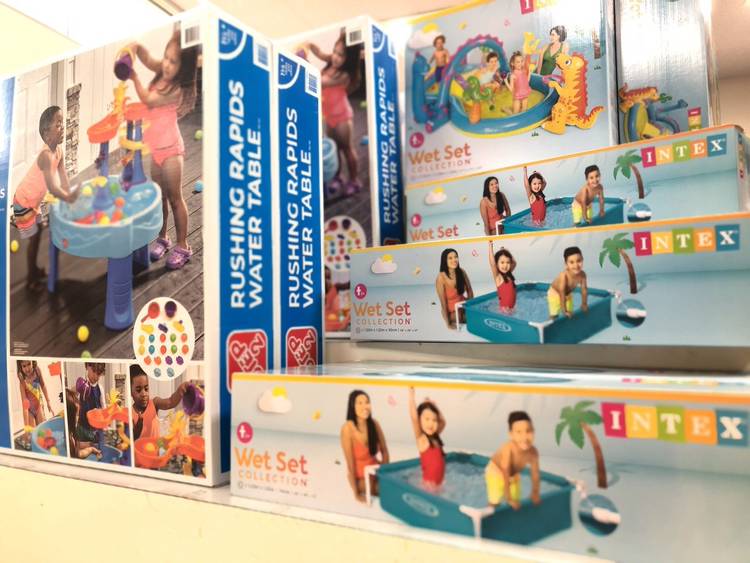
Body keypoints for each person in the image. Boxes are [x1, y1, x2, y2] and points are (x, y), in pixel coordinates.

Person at [127, 29, 199, 270]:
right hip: (155, 148)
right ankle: (163, 238)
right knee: (160, 197)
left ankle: (183, 246)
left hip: (171, 151)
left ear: (183, 67)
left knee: (175, 198)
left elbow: (149, 100)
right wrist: (136, 47)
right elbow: (148, 59)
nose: (167, 64)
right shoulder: (163, 71)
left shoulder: (176, 89)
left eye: (173, 62)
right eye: (166, 58)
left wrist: (133, 76)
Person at [12, 106, 79, 291]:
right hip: (24, 201)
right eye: (58, 124)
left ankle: (34, 270)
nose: (62, 127)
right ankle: (31, 279)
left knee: (39, 231)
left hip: (33, 202)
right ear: (46, 134)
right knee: (34, 239)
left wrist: (70, 195)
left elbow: (63, 179)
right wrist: (68, 197)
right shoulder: (45, 156)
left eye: (62, 123)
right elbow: (54, 187)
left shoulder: (59, 152)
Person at [308, 33, 363, 196]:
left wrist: (303, 64)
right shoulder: (331, 62)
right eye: (335, 52)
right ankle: (338, 176)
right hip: (329, 116)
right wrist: (307, 45)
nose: (335, 57)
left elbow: (321, 82)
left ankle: (354, 180)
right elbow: (318, 52)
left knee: (347, 148)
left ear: (349, 59)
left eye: (341, 55)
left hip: (342, 118)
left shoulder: (344, 75)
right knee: (334, 148)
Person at [340, 390, 389, 502]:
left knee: (397, 484)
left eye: (367, 402)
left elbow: (385, 451)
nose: (365, 406)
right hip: (361, 477)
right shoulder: (347, 429)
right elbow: (350, 465)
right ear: (352, 406)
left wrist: (384, 473)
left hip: (376, 470)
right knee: (386, 491)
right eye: (360, 403)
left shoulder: (374, 424)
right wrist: (356, 494)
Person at [485, 411, 541, 509]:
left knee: (516, 501)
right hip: (496, 472)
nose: (524, 437)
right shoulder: (508, 449)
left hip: (513, 474)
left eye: (528, 431)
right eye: (519, 432)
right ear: (511, 434)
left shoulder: (533, 452)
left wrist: (535, 492)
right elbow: (505, 472)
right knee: (495, 501)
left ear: (534, 431)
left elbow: (535, 473)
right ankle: (491, 510)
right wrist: (508, 497)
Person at [130, 364, 189, 441]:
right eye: (138, 390)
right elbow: (131, 440)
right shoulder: (129, 413)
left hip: (157, 448)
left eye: (146, 389)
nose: (144, 394)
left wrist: (180, 390)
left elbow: (170, 402)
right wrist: (137, 430)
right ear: (130, 392)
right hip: (140, 449)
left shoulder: (154, 403)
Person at [408, 387, 446, 490]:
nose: (431, 423)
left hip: (439, 485)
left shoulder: (436, 437)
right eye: (427, 419)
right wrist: (411, 397)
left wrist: (433, 405)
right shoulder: (422, 439)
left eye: (434, 420)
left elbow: (443, 421)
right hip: (428, 487)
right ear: (419, 420)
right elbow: (414, 418)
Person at [435, 248, 474, 329]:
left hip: (463, 304)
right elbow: (443, 303)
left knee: (475, 316)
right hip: (451, 310)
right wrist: (448, 324)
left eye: (456, 257)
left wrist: (470, 307)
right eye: (450, 258)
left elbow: (469, 291)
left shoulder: (462, 271)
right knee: (462, 318)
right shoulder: (441, 278)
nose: (454, 260)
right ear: (445, 261)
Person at [548, 246, 588, 318]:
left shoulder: (582, 275)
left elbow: (584, 290)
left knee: (570, 313)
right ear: (566, 264)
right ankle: (551, 320)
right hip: (555, 294)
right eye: (571, 262)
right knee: (554, 315)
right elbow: (562, 292)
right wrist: (564, 310)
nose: (576, 265)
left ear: (583, 260)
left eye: (579, 261)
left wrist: (584, 303)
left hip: (567, 294)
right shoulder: (564, 276)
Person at [65, 389, 102, 460]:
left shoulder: (71, 432)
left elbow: (77, 449)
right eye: (77, 415)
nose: (78, 418)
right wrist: (91, 448)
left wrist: (91, 447)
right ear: (69, 416)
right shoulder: (68, 438)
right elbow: (77, 454)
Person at [75, 363, 106, 444]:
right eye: (94, 371)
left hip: (95, 430)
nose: (96, 377)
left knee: (95, 449)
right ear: (87, 367)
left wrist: (99, 412)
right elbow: (74, 403)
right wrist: (76, 389)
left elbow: (104, 410)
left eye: (98, 374)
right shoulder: (81, 384)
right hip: (82, 428)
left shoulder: (100, 388)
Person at [17, 360, 52, 430]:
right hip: (29, 410)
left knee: (42, 430)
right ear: (20, 367)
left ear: (32, 362)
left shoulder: (37, 371)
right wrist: (26, 426)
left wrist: (48, 402)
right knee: (32, 432)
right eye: (24, 366)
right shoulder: (22, 381)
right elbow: (25, 405)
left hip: (38, 406)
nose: (27, 368)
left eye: (29, 364)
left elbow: (43, 385)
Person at [488, 242, 516, 312]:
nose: (505, 265)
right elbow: (492, 264)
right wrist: (490, 246)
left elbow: (514, 263)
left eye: (508, 262)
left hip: (512, 309)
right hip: (504, 311)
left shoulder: (509, 274)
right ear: (497, 264)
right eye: (502, 262)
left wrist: (505, 251)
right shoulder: (498, 277)